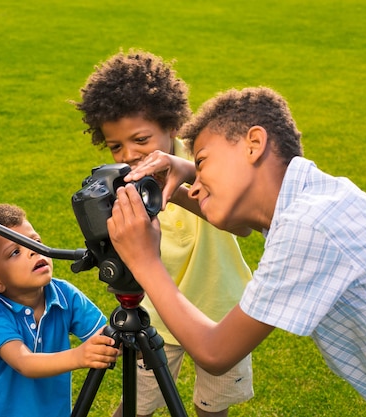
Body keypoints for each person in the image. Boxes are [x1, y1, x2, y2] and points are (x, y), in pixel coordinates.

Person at [107, 86, 366, 409]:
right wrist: (184, 179)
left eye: (203, 161)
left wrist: (144, 260)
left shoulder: (308, 225)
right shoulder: (316, 201)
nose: (194, 189)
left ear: (254, 144)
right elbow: (243, 224)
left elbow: (215, 353)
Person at [73, 49, 254, 417]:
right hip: (154, 317)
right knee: (135, 406)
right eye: (116, 147)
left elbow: (241, 224)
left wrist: (177, 183)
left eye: (140, 139)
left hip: (222, 311)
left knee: (212, 408)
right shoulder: (120, 186)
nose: (130, 155)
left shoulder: (203, 164)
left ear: (171, 126)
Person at [0, 203, 119, 417]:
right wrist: (79, 356)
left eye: (35, 242)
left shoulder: (63, 294)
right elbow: (24, 363)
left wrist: (119, 342)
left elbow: (102, 335)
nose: (33, 251)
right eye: (15, 252)